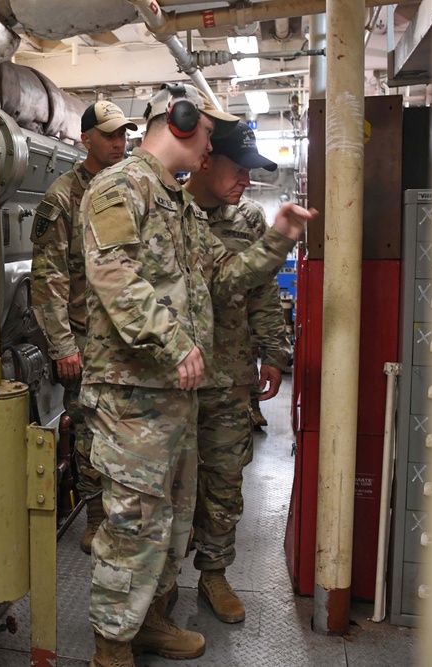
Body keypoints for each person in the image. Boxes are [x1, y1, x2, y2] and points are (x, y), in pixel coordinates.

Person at [79, 82, 315, 666]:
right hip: (133, 396)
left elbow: (229, 275)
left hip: (175, 397)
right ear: (182, 123)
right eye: (208, 134)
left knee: (171, 522)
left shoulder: (177, 206)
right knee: (133, 526)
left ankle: (152, 620)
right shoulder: (118, 190)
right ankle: (111, 647)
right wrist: (175, 342)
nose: (210, 148)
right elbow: (114, 275)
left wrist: (280, 237)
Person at [183, 123, 292, 623]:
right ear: (206, 160)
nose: (247, 180)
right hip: (172, 379)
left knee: (225, 480)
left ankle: (214, 573)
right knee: (167, 486)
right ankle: (160, 588)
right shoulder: (167, 211)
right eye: (239, 169)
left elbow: (263, 289)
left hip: (228, 375)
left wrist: (273, 351)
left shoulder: (247, 217)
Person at [30, 101, 137, 552]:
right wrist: (62, 346)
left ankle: (128, 513)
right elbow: (48, 278)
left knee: (132, 429)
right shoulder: (64, 196)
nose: (119, 143)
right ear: (85, 139)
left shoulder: (133, 188)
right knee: (90, 431)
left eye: (123, 135)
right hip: (86, 341)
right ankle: (95, 516)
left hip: (132, 337)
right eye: (110, 135)